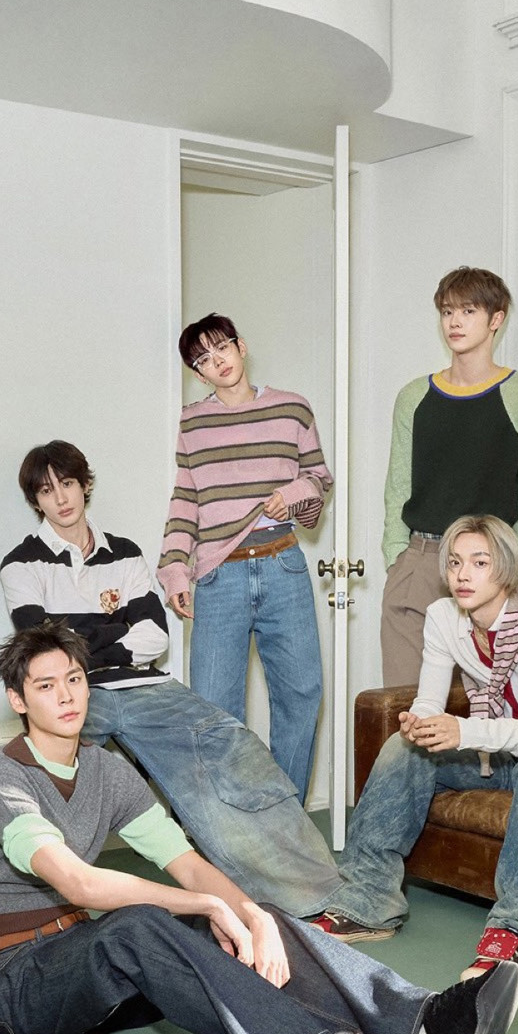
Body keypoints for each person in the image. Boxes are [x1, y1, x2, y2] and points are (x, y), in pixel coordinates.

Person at [0, 620, 518, 1034]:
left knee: (259, 916)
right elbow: (81, 885)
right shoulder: (2, 780)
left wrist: (252, 916)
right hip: (22, 984)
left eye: (74, 679)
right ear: (18, 699)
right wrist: (208, 906)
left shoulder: (106, 771)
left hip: (93, 968)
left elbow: (186, 863)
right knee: (138, 924)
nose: (66, 696)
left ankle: (427, 1032)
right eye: (45, 686)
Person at [0, 440, 342, 924]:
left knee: (229, 743)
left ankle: (306, 895)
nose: (60, 498)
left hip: (144, 687)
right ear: (35, 500)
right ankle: (46, 904)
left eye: (68, 483)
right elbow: (48, 652)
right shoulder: (20, 563)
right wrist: (113, 637)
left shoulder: (125, 553)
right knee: (54, 764)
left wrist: (83, 641)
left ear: (85, 485)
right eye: (46, 490)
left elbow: (155, 636)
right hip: (73, 692)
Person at [323, 515, 518, 979]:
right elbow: (429, 699)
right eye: (455, 562)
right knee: (402, 749)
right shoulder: (444, 617)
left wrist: (464, 731)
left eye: (480, 563)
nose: (463, 574)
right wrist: (419, 723)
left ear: (506, 567)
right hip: (502, 756)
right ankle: (367, 902)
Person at [157, 313, 332, 800]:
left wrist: (293, 493)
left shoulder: (292, 408)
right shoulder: (193, 422)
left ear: (241, 346)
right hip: (219, 575)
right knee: (213, 710)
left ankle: (286, 818)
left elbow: (318, 479)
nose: (218, 362)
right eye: (204, 360)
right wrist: (175, 571)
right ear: (198, 374)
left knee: (301, 695)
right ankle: (232, 826)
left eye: (223, 348)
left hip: (283, 565)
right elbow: (185, 501)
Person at [381, 267, 518, 687]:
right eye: (447, 312)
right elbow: (397, 490)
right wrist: (397, 560)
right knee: (406, 708)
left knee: (490, 710)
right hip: (421, 565)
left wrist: (512, 572)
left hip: (492, 569)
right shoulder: (413, 396)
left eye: (468, 311)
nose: (454, 322)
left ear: (497, 319)